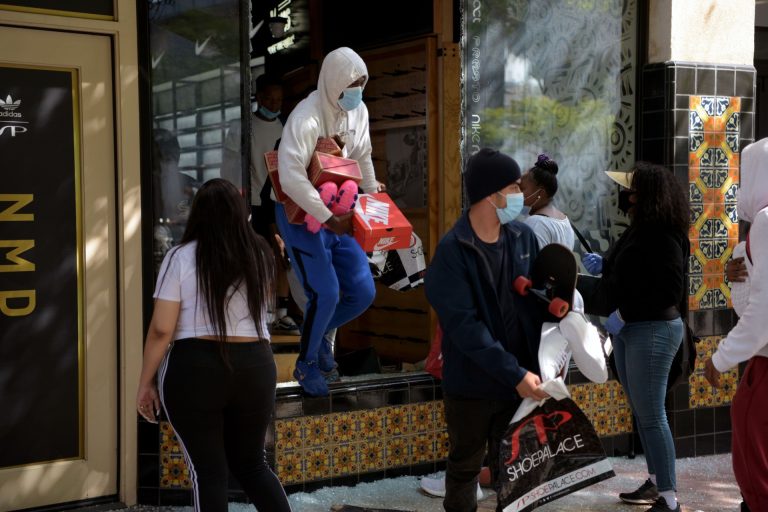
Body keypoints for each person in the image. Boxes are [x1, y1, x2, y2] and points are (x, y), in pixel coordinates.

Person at [420, 151, 577, 501]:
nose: (521, 195)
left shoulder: (523, 238)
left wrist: (557, 346)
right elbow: (466, 328)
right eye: (514, 187)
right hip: (472, 384)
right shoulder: (452, 252)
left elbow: (537, 304)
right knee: (465, 470)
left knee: (516, 473)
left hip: (519, 383)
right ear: (491, 194)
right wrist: (514, 373)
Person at [135, 179, 292, 512]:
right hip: (256, 366)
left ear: (197, 215)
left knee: (208, 473)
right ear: (241, 214)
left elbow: (161, 329)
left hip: (195, 367)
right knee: (253, 465)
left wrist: (145, 382)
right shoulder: (260, 253)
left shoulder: (180, 256)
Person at [275, 47, 384, 397]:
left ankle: (319, 335)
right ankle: (306, 364)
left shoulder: (359, 112)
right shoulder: (305, 117)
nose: (357, 91)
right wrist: (328, 219)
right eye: (351, 84)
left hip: (340, 206)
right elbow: (290, 177)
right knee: (325, 292)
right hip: (300, 212)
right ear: (332, 82)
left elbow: (363, 156)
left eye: (362, 83)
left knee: (363, 291)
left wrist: (374, 200)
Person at [581, 162, 689, 512]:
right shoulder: (640, 229)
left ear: (648, 196)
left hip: (652, 330)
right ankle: (656, 483)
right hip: (632, 329)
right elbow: (634, 273)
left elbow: (668, 291)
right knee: (643, 413)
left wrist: (625, 313)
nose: (626, 196)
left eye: (633, 191)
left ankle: (669, 499)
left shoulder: (665, 235)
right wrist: (605, 264)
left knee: (652, 414)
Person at [702, 137, 768, 512]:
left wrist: (721, 357)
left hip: (765, 363)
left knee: (756, 473)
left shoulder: (766, 221)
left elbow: (761, 312)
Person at [222, 73, 301, 336]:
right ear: (258, 97)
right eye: (269, 98)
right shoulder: (243, 127)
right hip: (251, 202)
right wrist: (234, 199)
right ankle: (255, 312)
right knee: (253, 256)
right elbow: (229, 166)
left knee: (281, 255)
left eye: (279, 99)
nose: (274, 104)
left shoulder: (286, 127)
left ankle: (281, 313)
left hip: (278, 202)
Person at [519, 153, 576, 250]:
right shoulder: (564, 220)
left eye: (522, 188)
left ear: (540, 192)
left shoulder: (536, 223)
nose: (517, 192)